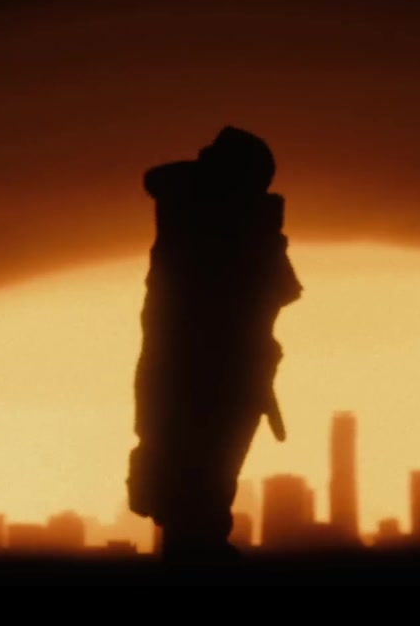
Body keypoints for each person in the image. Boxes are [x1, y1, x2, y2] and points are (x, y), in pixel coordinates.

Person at [127, 126, 302, 563]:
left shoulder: (202, 215)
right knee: (195, 493)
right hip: (204, 377)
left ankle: (196, 544)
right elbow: (273, 292)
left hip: (205, 373)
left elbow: (275, 293)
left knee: (195, 494)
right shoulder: (218, 222)